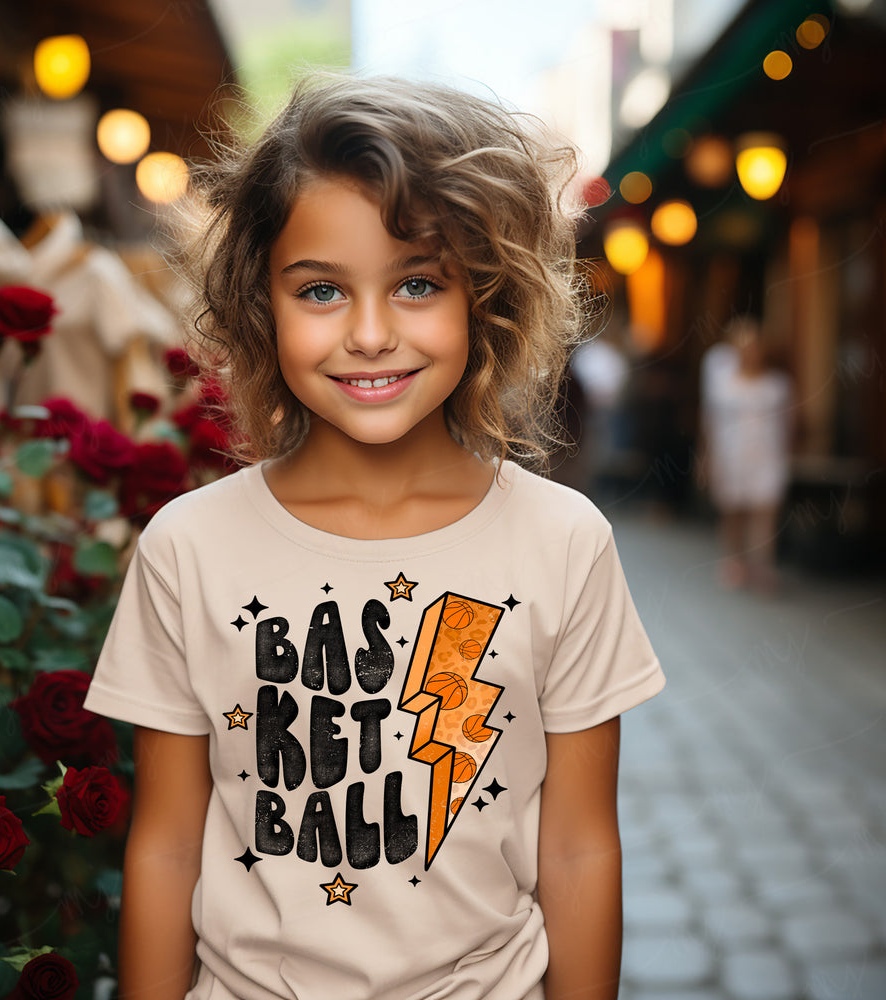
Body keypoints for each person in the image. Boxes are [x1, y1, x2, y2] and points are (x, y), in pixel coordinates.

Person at [83, 74, 665, 1000]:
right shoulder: (187, 547)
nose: (368, 333)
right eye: (320, 290)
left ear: (489, 299)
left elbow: (581, 844)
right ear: (259, 306)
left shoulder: (565, 543)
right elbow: (163, 843)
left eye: (418, 284)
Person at [700, 317, 793, 592]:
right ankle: (734, 560)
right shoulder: (723, 385)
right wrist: (706, 457)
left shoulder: (777, 386)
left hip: (766, 457)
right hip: (731, 455)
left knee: (764, 512)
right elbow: (710, 423)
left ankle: (762, 565)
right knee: (734, 512)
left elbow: (788, 425)